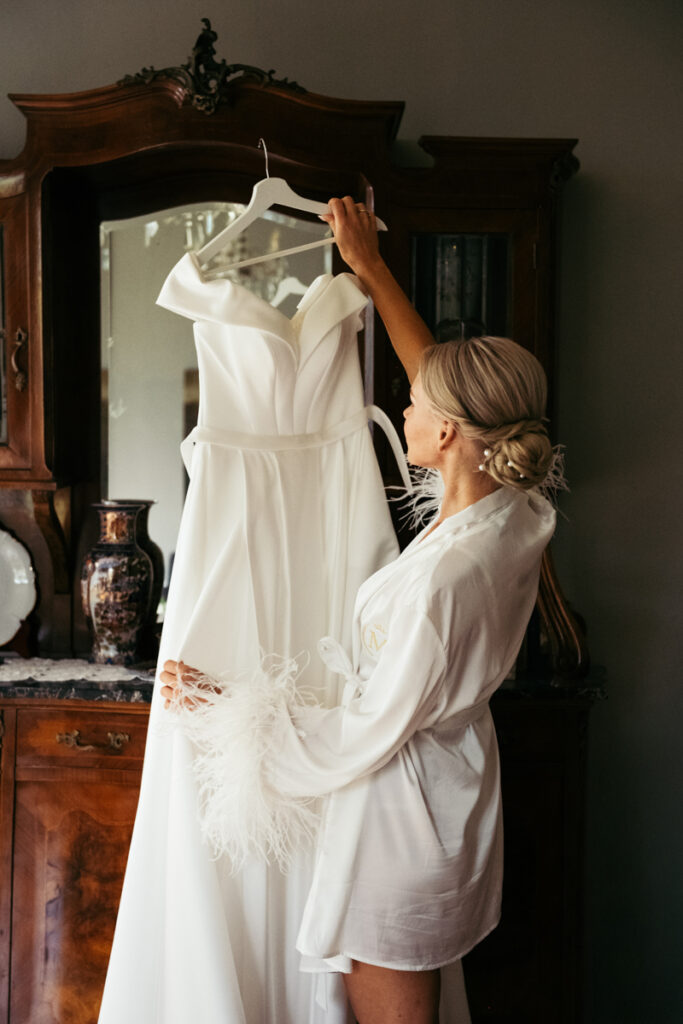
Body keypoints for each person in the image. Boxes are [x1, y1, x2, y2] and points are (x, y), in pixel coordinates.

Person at [161, 196, 559, 1024]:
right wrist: (370, 271)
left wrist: (231, 715)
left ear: (447, 435)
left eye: (418, 406)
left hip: (402, 825)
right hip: (446, 794)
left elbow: (370, 726)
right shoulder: (516, 513)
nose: (402, 405)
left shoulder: (446, 578)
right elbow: (445, 390)